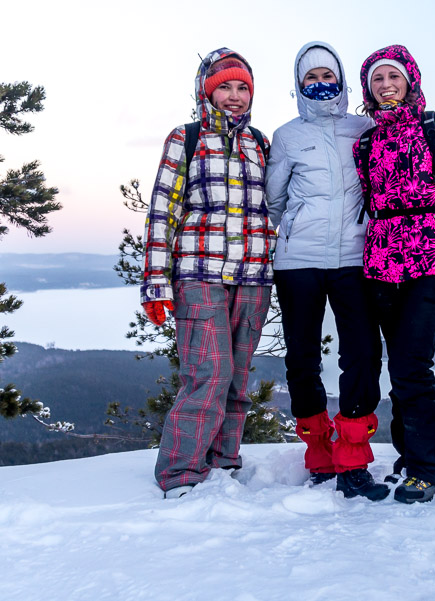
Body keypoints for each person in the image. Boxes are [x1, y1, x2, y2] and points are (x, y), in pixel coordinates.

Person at [353, 45, 435, 504]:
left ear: (410, 79)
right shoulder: (366, 142)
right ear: (368, 90)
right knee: (399, 365)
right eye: (376, 80)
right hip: (382, 261)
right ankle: (410, 455)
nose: (386, 85)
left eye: (393, 76)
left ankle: (430, 467)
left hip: (432, 259)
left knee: (412, 364)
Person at [141, 48, 275, 499]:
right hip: (199, 273)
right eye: (225, 87)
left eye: (243, 88)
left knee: (237, 378)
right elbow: (163, 213)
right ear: (207, 90)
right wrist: (156, 283)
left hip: (254, 278)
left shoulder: (260, 143)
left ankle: (223, 463)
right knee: (208, 374)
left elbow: (272, 213)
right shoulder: (188, 137)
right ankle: (181, 473)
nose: (234, 96)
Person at [265, 42, 388, 502]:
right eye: (310, 77)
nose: (320, 83)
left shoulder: (365, 127)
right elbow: (274, 200)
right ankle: (318, 450)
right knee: (302, 355)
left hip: (355, 257)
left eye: (327, 75)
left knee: (361, 352)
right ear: (299, 85)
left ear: (340, 80)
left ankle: (353, 457)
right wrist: (299, 226)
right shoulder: (287, 135)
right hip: (299, 260)